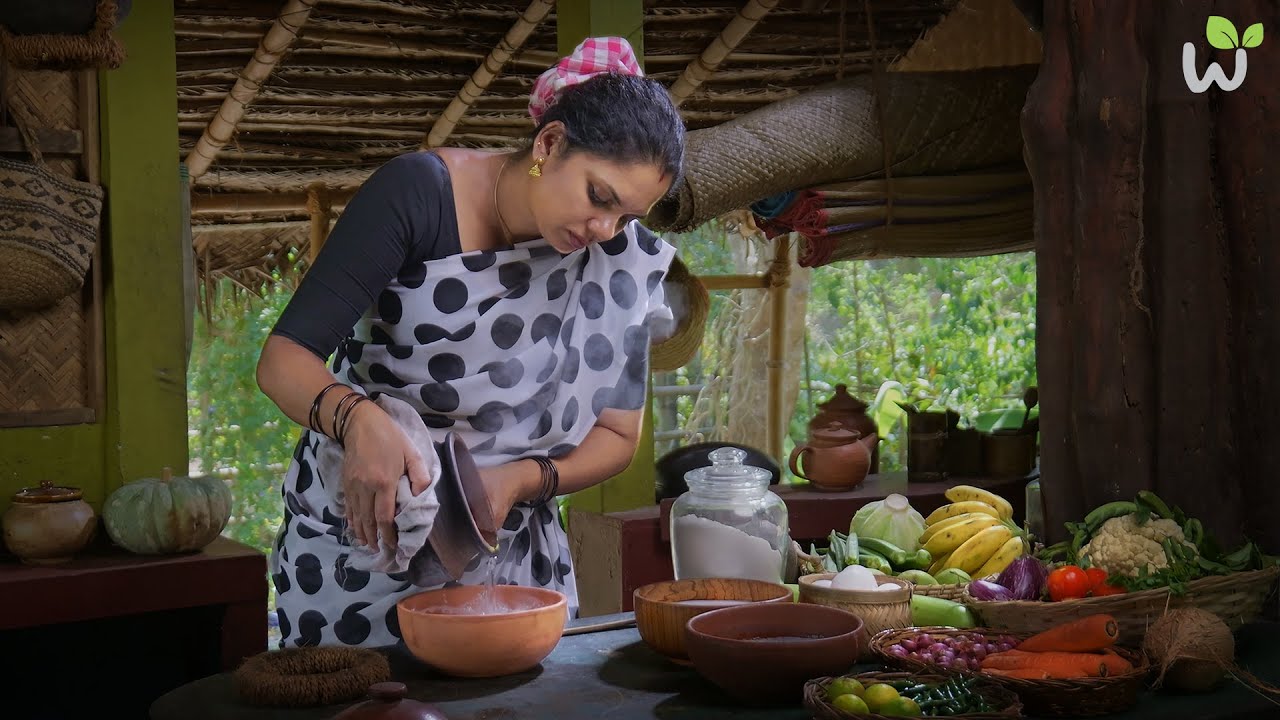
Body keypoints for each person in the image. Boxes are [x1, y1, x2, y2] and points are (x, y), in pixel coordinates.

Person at [255, 37, 686, 648]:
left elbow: (618, 435)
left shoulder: (621, 266)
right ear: (549, 143)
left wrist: (517, 482)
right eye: (598, 197)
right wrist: (358, 420)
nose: (603, 231)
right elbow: (282, 362)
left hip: (515, 567)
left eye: (626, 217)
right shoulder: (417, 194)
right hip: (363, 550)